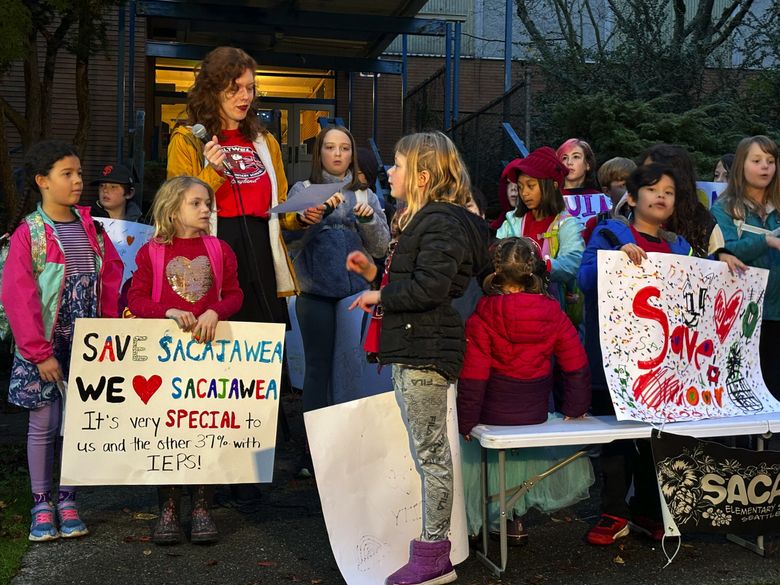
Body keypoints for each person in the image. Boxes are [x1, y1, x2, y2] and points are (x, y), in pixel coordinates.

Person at [350, 131, 489, 585]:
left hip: (425, 347)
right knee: (429, 452)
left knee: (431, 456)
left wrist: (380, 293)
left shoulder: (440, 222)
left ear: (423, 176)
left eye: (397, 164)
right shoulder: (427, 220)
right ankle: (433, 552)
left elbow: (431, 288)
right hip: (417, 343)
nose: (388, 171)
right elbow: (425, 279)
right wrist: (376, 277)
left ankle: (433, 558)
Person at [1, 140, 122, 541]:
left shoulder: (92, 228)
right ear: (42, 181)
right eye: (67, 174)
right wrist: (38, 353)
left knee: (77, 423)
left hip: (85, 345)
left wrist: (106, 334)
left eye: (79, 173)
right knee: (43, 422)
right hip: (43, 346)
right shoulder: (30, 234)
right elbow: (19, 296)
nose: (77, 181)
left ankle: (68, 499)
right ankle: (41, 504)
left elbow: (109, 279)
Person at [578, 163, 692, 545]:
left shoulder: (679, 246)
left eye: (670, 191)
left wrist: (722, 259)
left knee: (655, 439)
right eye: (653, 188)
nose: (661, 196)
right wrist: (614, 262)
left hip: (662, 367)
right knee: (616, 439)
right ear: (631, 197)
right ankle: (612, 511)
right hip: (614, 365)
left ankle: (646, 509)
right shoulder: (609, 234)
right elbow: (584, 280)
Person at [166, 46, 321, 327]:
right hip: (212, 249)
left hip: (261, 250)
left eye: (249, 88)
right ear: (212, 90)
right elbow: (176, 209)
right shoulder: (187, 139)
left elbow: (279, 206)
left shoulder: (265, 141)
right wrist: (211, 173)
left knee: (264, 350)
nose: (245, 96)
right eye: (234, 88)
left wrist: (299, 216)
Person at [127, 176, 243, 544]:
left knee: (204, 427)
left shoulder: (220, 249)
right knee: (166, 431)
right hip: (166, 361)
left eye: (207, 203)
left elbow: (236, 293)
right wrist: (168, 311)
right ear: (173, 210)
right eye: (196, 203)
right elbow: (137, 298)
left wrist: (216, 312)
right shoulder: (151, 252)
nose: (207, 209)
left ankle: (202, 506)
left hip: (210, 357)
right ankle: (169, 508)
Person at [457, 236, 592, 543]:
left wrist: (466, 421)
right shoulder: (553, 312)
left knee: (483, 459)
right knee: (523, 461)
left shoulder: (482, 317)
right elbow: (575, 363)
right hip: (534, 411)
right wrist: (575, 409)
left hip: (493, 411)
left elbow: (474, 377)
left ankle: (488, 520)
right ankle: (514, 519)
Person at [286, 126, 389, 415]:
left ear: (352, 154)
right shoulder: (303, 190)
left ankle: (347, 444)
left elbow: (382, 249)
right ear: (319, 152)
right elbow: (291, 243)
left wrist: (369, 222)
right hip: (313, 293)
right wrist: (316, 216)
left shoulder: (365, 194)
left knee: (349, 369)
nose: (337, 154)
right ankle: (314, 449)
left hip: (353, 295)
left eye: (344, 148)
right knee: (317, 369)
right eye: (330, 147)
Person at [711, 136, 780, 399]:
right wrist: (766, 241)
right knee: (741, 395)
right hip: (741, 316)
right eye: (757, 160)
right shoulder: (724, 209)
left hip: (777, 315)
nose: (765, 167)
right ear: (741, 165)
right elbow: (724, 251)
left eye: (771, 161)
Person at [495, 147, 585, 314]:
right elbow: (495, 250)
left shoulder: (567, 224)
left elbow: (574, 261)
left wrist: (544, 266)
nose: (524, 193)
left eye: (530, 186)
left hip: (550, 309)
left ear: (553, 185)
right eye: (521, 187)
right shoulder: (512, 221)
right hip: (509, 305)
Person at [582, 157, 638, 243]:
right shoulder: (595, 223)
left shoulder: (647, 220)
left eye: (634, 184)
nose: (631, 189)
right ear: (607, 191)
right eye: (623, 185)